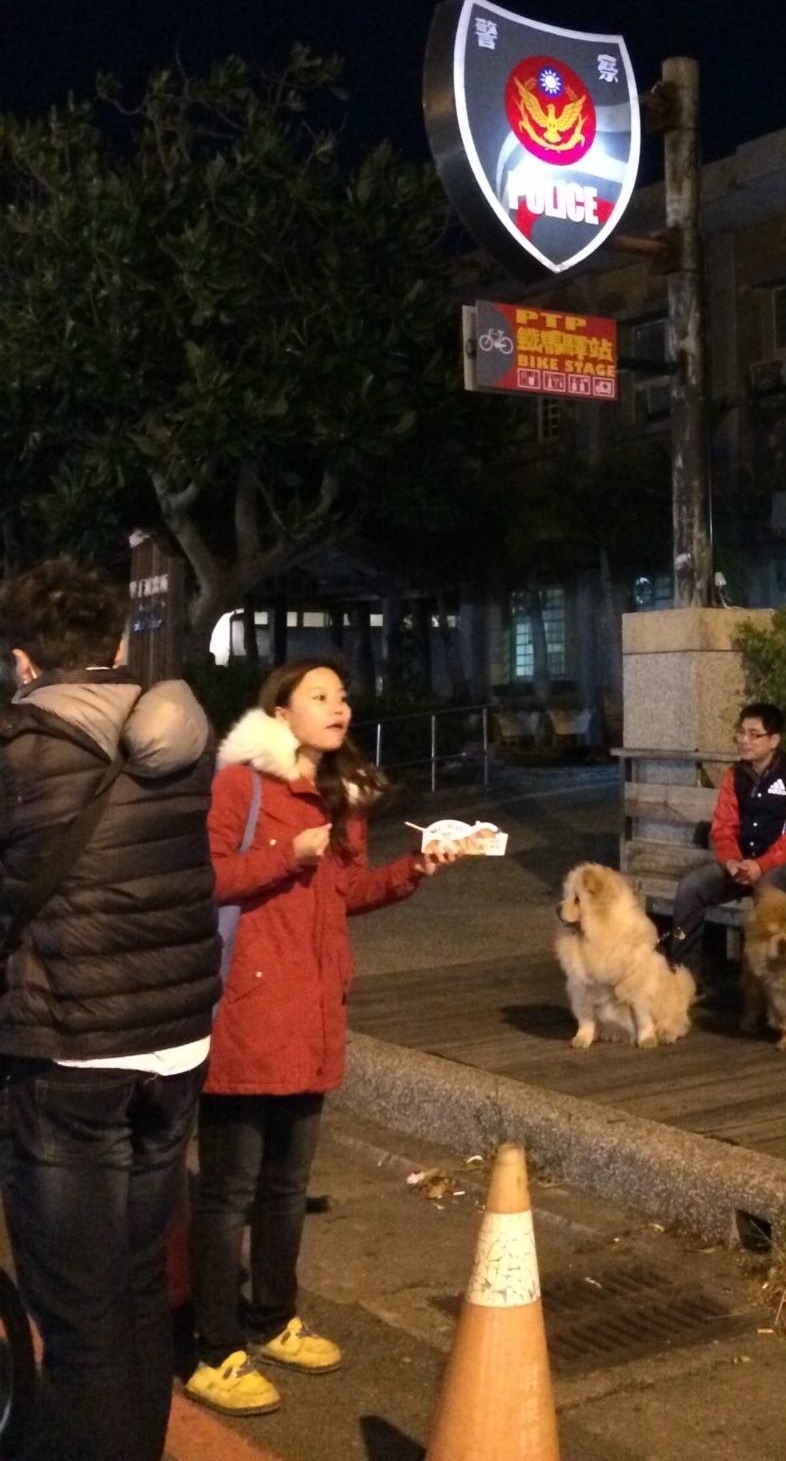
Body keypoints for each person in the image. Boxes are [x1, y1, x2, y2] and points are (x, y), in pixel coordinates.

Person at [185, 659, 462, 1418]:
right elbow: (204, 880)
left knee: (286, 1186)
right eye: (320, 696)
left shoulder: (343, 797)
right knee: (228, 1191)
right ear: (281, 713)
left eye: (341, 696)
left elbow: (344, 894)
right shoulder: (240, 785)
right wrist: (288, 855)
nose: (339, 706)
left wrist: (414, 869)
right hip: (246, 1012)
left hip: (312, 1011)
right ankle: (215, 1349)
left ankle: (275, 1320)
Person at [0, 556, 221, 1461]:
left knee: (79, 1313)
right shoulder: (181, 739)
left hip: (71, 1051)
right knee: (134, 1289)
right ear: (120, 645)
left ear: (23, 662)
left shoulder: (19, 752)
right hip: (177, 1043)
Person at [665, 702, 786, 983]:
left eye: (754, 734)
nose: (744, 740)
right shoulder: (734, 776)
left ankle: (760, 985)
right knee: (691, 887)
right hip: (744, 862)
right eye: (741, 732)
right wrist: (731, 861)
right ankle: (683, 979)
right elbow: (723, 827)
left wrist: (762, 864)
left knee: (767, 890)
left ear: (774, 740)